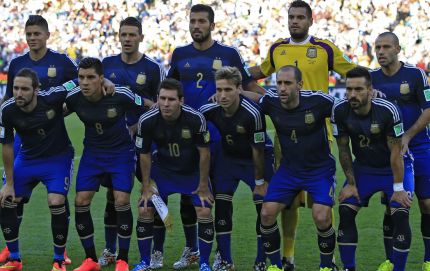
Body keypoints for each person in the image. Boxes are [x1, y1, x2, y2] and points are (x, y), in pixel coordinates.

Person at [248, 1, 356, 269]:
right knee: (289, 202)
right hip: (286, 135)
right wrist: (235, 73)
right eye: (291, 17)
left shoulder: (324, 49)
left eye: (299, 17)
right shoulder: (277, 48)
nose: (294, 21)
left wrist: (373, 86)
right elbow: (259, 73)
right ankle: (288, 256)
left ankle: (327, 259)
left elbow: (352, 73)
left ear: (310, 20)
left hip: (319, 132)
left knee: (320, 204)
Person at [166, 4, 265, 270]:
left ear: (212, 25)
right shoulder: (179, 54)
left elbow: (246, 85)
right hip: (189, 136)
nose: (196, 25)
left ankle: (226, 256)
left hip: (221, 139)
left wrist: (272, 99)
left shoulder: (229, 53)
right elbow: (170, 89)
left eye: (201, 21)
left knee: (218, 198)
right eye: (192, 21)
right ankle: (192, 249)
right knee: (190, 195)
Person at [243, 65, 337, 271]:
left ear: (300, 85)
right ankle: (277, 266)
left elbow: (347, 107)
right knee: (266, 214)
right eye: (278, 83)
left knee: (321, 216)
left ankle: (327, 266)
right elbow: (254, 97)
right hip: (289, 171)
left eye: (287, 83)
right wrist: (233, 91)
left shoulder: (319, 101)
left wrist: (373, 94)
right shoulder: (272, 102)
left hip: (319, 170)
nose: (282, 88)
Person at [1, 14, 78, 264]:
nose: (33, 38)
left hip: (53, 138)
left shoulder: (61, 61)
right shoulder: (17, 64)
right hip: (24, 141)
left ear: (47, 35)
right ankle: (12, 253)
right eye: (29, 34)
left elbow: (80, 83)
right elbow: (9, 102)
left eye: (37, 34)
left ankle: (60, 252)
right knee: (10, 194)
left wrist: (66, 110)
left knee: (56, 199)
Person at [65, 57, 147, 271]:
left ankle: (123, 259)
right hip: (92, 154)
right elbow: (52, 109)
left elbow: (149, 105)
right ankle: (90, 260)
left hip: (121, 154)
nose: (85, 82)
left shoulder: (120, 94)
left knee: (121, 200)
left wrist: (137, 125)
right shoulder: (74, 98)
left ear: (101, 79)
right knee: (81, 200)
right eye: (81, 77)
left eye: (90, 77)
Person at [332, 66, 413, 271]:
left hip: (393, 168)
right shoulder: (339, 110)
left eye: (358, 89)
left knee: (400, 212)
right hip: (364, 169)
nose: (352, 94)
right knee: (345, 210)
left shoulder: (388, 110)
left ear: (370, 90)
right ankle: (349, 268)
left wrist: (398, 187)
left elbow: (396, 152)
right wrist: (350, 183)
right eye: (349, 89)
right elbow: (343, 149)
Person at [99, 16, 162, 267]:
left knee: (154, 194)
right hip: (114, 143)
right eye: (123, 34)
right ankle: (109, 249)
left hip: (146, 140)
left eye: (132, 35)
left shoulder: (152, 68)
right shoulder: (107, 64)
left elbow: (160, 106)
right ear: (118, 37)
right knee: (113, 197)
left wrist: (139, 125)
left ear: (141, 37)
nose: (127, 39)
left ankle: (157, 251)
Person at [133, 78, 214, 271]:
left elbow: (205, 153)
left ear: (181, 101)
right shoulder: (147, 119)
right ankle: (146, 260)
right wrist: (145, 186)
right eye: (162, 99)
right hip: (163, 171)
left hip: (191, 171)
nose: (166, 104)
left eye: (171, 99)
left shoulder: (195, 118)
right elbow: (143, 154)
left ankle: (203, 262)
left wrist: (203, 185)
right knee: (145, 207)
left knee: (204, 208)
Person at [199, 66, 274, 271]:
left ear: (239, 89)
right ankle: (225, 261)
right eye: (219, 89)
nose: (222, 95)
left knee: (264, 208)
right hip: (229, 159)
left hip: (256, 159)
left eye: (228, 90)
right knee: (221, 206)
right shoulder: (210, 109)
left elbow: (257, 151)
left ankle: (261, 261)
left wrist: (259, 182)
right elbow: (194, 121)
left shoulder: (253, 113)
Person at [370, 32, 430, 271]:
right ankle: (390, 260)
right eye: (377, 47)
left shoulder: (416, 74)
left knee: (426, 204)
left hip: (420, 146)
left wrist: (407, 135)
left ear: (398, 49)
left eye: (386, 47)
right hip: (389, 152)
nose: (381, 52)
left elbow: (428, 110)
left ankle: (428, 260)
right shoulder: (371, 78)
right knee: (392, 205)